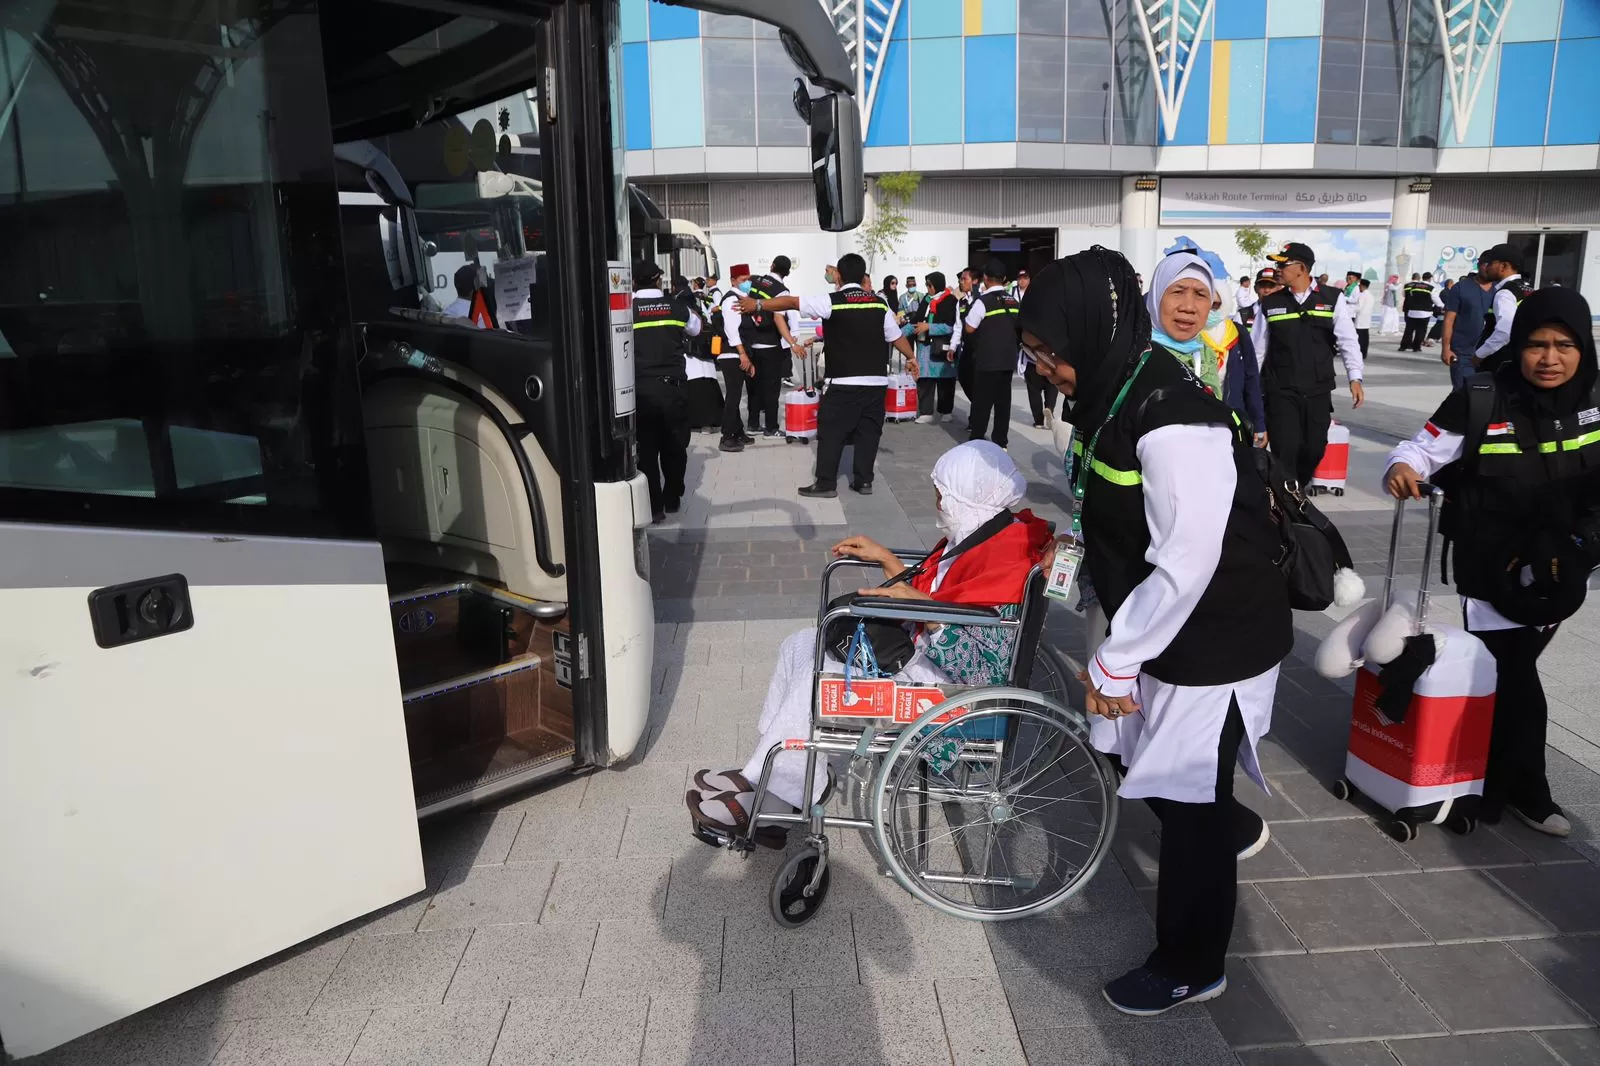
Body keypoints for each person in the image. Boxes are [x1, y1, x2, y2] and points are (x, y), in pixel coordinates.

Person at [1018, 246, 1292, 1016]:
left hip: (1215, 637)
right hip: (1164, 629)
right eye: (1034, 353)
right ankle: (1225, 819)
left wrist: (1117, 659)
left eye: (1050, 352)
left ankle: (1191, 960)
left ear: (1090, 331)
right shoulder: (1113, 390)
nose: (1044, 369)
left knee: (1186, 799)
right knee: (1144, 763)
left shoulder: (1176, 416)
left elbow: (1189, 557)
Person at [685, 441, 1052, 837]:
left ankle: (779, 796)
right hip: (923, 662)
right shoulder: (985, 535)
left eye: (943, 496)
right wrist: (889, 561)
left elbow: (982, 669)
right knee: (799, 644)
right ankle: (773, 775)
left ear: (968, 499)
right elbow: (940, 588)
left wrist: (924, 611)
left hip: (951, 695)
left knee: (818, 673)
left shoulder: (1006, 559)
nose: (938, 504)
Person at [1383, 289, 1600, 838]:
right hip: (1492, 567)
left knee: (1509, 674)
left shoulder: (1597, 398)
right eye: (1536, 345)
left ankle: (1481, 774)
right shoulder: (1483, 397)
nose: (1549, 358)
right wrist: (1400, 468)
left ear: (1584, 348)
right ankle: (1518, 791)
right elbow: (1418, 450)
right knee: (1517, 676)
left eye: (1564, 345)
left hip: (1564, 565)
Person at [742, 252, 915, 498]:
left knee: (832, 432)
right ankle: (864, 481)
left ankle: (825, 483)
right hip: (876, 382)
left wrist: (758, 304)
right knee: (869, 433)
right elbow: (895, 337)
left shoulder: (831, 300)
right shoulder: (879, 303)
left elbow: (791, 302)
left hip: (843, 382)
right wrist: (911, 358)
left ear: (840, 275)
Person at [1251, 242, 1366, 486]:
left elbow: (1348, 340)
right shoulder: (1270, 304)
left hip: (1317, 390)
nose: (1277, 269)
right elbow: (1257, 351)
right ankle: (1288, 503)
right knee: (1286, 449)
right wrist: (1251, 390)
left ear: (1301, 268)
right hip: (1281, 391)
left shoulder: (1332, 299)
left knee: (1314, 449)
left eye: (1283, 264)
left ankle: (1297, 489)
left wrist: (1355, 377)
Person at [630, 261, 701, 522]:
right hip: (674, 388)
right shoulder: (677, 307)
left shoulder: (626, 309)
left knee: (646, 450)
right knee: (675, 445)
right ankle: (672, 498)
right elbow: (697, 328)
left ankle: (654, 507)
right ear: (659, 280)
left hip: (640, 390)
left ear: (634, 283)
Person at [742, 257, 804, 436]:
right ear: (787, 273)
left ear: (772, 266)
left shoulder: (754, 280)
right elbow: (779, 318)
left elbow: (743, 298)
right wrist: (792, 343)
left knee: (753, 386)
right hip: (769, 345)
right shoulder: (782, 291)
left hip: (750, 344)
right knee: (771, 389)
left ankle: (753, 424)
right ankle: (771, 428)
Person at [963, 258, 1022, 448]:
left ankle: (977, 440)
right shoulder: (1014, 301)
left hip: (987, 361)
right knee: (1003, 404)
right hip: (1007, 361)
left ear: (985, 279)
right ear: (1004, 279)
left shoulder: (983, 302)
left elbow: (970, 328)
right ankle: (1001, 443)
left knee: (982, 403)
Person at [1200, 283, 1267, 441]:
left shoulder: (1238, 333)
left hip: (1234, 416)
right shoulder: (1189, 333)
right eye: (1206, 303)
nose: (1211, 310)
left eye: (1216, 305)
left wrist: (1259, 423)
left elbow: (1251, 379)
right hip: (1199, 418)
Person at [715, 265, 757, 452]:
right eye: (743, 280)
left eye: (748, 279)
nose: (747, 283)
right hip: (731, 354)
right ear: (733, 280)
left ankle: (738, 431)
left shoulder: (741, 299)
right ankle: (727, 436)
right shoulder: (731, 300)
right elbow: (732, 331)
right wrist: (743, 354)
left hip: (738, 352)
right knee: (733, 396)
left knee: (736, 394)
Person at [1473, 243, 1534, 373]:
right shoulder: (1528, 289)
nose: (1487, 267)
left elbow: (1505, 330)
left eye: (1490, 263)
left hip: (1500, 362)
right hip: (1521, 359)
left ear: (1503, 266)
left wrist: (1479, 354)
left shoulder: (1505, 293)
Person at [911, 270, 959, 424]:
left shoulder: (950, 300)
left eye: (930, 285)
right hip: (925, 347)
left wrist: (929, 327)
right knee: (925, 379)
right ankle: (925, 412)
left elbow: (952, 326)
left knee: (945, 380)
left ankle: (946, 410)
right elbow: (917, 320)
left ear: (938, 284)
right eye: (926, 285)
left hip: (942, 346)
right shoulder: (926, 299)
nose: (928, 288)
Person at [1442, 263, 1494, 389]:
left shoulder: (1501, 289)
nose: (1488, 268)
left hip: (1491, 353)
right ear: (1479, 264)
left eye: (1492, 265)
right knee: (1462, 393)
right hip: (1463, 353)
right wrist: (1445, 348)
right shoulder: (1461, 288)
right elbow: (1449, 320)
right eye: (1485, 264)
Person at [1400, 272, 1435, 352]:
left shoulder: (1409, 285)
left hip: (1409, 308)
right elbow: (1434, 299)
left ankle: (1404, 346)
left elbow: (1404, 295)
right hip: (1423, 311)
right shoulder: (1429, 287)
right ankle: (1416, 347)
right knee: (1420, 330)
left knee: (1409, 329)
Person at [1352, 278, 1375, 359]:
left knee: (1360, 338)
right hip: (1366, 318)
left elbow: (1359, 307)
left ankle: (1360, 353)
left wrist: (1349, 308)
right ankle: (1364, 353)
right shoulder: (1370, 295)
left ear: (1362, 286)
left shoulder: (1362, 295)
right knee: (1365, 337)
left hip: (1360, 318)